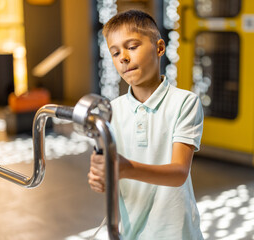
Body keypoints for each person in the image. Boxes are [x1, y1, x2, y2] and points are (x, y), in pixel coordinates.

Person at [87, 9, 204, 240]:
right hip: (131, 232)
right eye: (115, 52)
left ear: (160, 48)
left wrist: (126, 168)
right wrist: (101, 176)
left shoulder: (185, 102)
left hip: (177, 234)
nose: (123, 57)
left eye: (132, 47)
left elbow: (179, 172)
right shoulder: (112, 111)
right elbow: (110, 170)